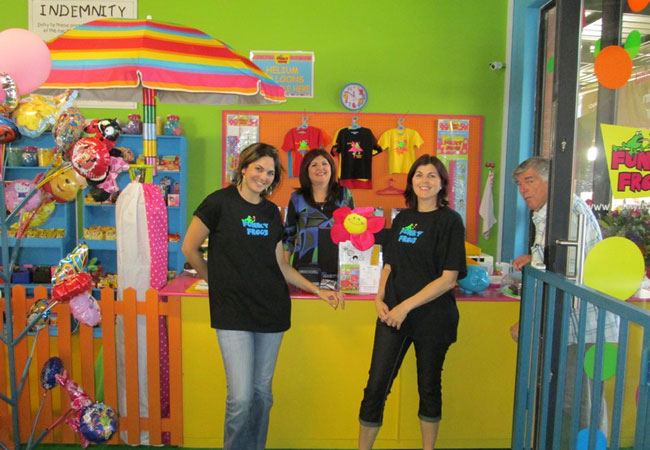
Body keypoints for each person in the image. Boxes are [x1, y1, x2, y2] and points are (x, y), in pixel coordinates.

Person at [181, 143, 345, 450]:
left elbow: (281, 264)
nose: (264, 177)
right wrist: (213, 280)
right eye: (259, 168)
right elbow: (189, 248)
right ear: (244, 168)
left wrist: (317, 290)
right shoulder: (218, 202)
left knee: (262, 394)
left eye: (270, 173)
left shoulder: (271, 212)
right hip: (232, 311)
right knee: (240, 397)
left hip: (271, 309)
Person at [357, 154, 466, 450]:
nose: (424, 181)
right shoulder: (403, 219)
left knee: (428, 387)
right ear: (411, 181)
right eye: (419, 175)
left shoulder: (450, 221)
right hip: (392, 315)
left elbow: (448, 278)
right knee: (376, 386)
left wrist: (405, 307)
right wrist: (379, 297)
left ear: (442, 183)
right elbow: (389, 263)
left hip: (432, 317)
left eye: (432, 175)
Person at [509, 156, 618, 443]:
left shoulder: (565, 214)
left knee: (579, 403)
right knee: (577, 401)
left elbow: (560, 278)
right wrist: (533, 258)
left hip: (584, 326)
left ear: (550, 182)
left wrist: (530, 320)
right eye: (520, 184)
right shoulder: (551, 214)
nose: (523, 189)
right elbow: (557, 263)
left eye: (529, 181)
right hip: (574, 326)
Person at [283, 148, 354, 269]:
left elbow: (354, 230)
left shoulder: (344, 195)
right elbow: (288, 236)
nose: (320, 168)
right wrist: (285, 268)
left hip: (339, 265)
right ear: (306, 170)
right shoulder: (297, 198)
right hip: (304, 266)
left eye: (324, 164)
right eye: (314, 165)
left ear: (331, 168)